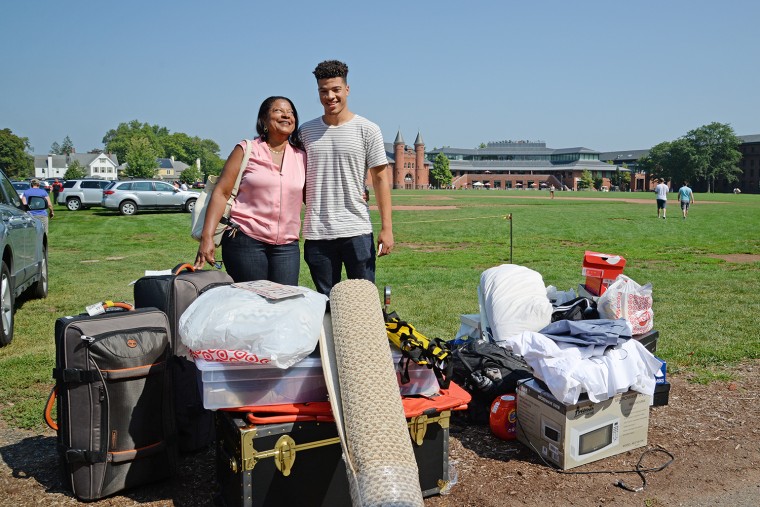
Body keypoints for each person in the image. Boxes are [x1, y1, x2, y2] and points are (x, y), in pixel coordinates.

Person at [298, 60, 394, 297]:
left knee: (363, 302)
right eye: (323, 91)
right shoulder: (305, 132)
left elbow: (381, 179)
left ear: (347, 90)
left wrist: (387, 228)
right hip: (317, 233)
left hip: (356, 230)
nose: (330, 96)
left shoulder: (367, 129)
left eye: (336, 89)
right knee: (326, 303)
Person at [194, 96, 306, 285]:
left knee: (285, 304)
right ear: (263, 119)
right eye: (278, 111)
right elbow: (221, 193)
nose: (286, 115)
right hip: (246, 239)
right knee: (251, 304)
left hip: (287, 246)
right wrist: (207, 237)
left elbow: (311, 195)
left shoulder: (301, 156)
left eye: (291, 112)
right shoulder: (246, 149)